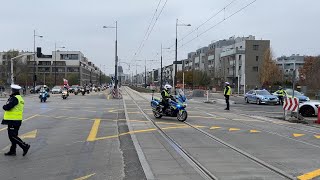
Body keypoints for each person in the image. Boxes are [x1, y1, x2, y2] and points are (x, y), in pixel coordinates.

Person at [1, 84, 30, 156]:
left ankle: (24, 146)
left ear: (13, 91)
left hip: (13, 120)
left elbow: (8, 107)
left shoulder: (15, 98)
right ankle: (13, 150)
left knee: (12, 136)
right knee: (13, 136)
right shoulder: (19, 98)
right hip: (17, 120)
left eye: (11, 90)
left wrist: (4, 106)